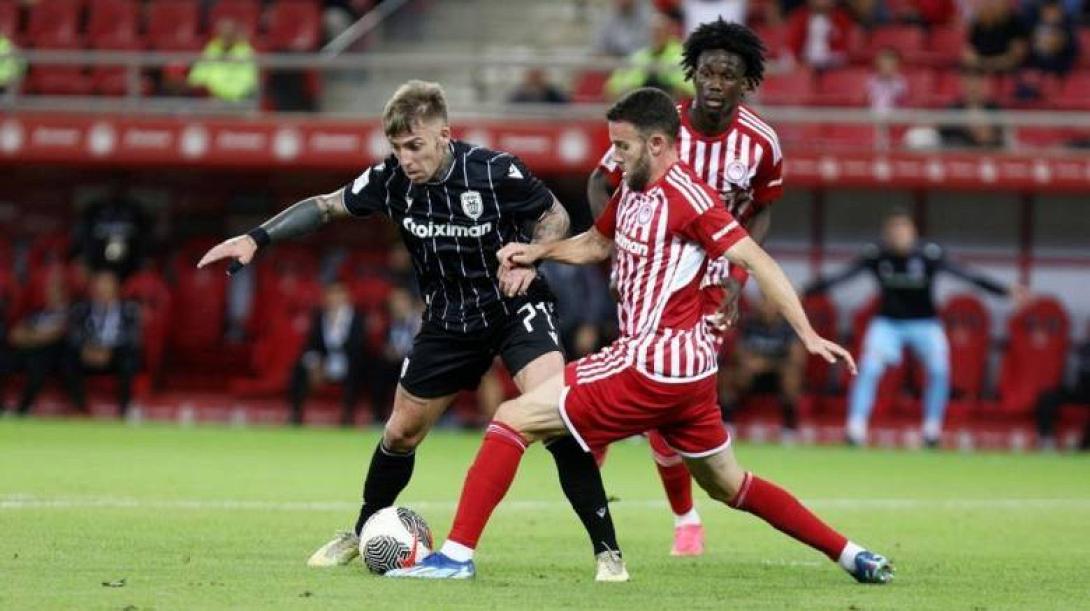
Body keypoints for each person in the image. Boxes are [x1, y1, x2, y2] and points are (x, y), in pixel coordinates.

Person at [387, 87, 892, 584]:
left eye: (622, 146)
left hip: (651, 361)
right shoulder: (632, 188)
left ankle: (456, 556)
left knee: (511, 418)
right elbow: (595, 243)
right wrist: (538, 252)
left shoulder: (690, 198)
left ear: (656, 144)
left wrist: (806, 333)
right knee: (729, 485)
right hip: (690, 375)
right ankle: (853, 555)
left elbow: (757, 260)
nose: (614, 157)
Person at [196, 80, 628, 581]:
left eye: (415, 145)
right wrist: (256, 238)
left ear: (444, 135)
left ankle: (608, 553)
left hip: (514, 307)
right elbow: (327, 205)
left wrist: (531, 259)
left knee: (552, 416)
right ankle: (363, 531)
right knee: (400, 432)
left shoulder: (493, 170)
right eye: (397, 147)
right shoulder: (389, 180)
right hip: (447, 321)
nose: (405, 158)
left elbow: (553, 214)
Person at [589, 19, 784, 557]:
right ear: (691, 74)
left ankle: (683, 516)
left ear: (746, 82)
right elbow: (600, 180)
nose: (716, 82)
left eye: (728, 74)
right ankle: (681, 510)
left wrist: (739, 280)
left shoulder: (761, 143)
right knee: (656, 397)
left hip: (711, 287)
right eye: (707, 72)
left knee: (668, 397)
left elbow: (762, 209)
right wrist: (618, 251)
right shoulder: (659, 130)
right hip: (649, 278)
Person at [806, 209, 1026, 447]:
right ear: (887, 235)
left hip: (925, 323)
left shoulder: (929, 254)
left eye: (904, 230)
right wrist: (806, 291)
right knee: (867, 369)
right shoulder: (877, 255)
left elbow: (967, 274)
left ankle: (932, 430)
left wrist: (1004, 291)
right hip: (888, 323)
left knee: (939, 370)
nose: (899, 236)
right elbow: (842, 276)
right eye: (894, 231)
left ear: (913, 233)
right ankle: (855, 429)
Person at [721, 294, 806, 441]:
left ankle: (789, 428)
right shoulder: (749, 325)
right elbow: (738, 354)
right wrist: (748, 362)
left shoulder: (789, 328)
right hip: (752, 375)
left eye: (770, 303)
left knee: (791, 376)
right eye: (763, 302)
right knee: (729, 376)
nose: (766, 307)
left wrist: (765, 364)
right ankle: (728, 424)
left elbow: (797, 360)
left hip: (777, 375)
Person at [65, 270, 142, 418]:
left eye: (107, 284)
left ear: (116, 288)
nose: (102, 289)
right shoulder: (81, 309)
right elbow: (74, 334)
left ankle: (125, 409)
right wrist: (87, 349)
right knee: (68, 359)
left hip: (116, 355)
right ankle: (80, 408)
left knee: (129, 359)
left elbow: (133, 338)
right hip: (89, 354)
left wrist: (109, 350)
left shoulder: (130, 310)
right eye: (99, 285)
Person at [288, 280, 365, 426]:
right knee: (298, 368)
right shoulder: (319, 316)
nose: (334, 298)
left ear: (346, 296)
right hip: (324, 363)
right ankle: (296, 414)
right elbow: (311, 345)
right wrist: (315, 363)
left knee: (358, 369)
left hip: (348, 363)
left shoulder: (357, 317)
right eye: (331, 294)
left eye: (338, 294)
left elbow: (360, 346)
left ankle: (348, 415)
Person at [4, 272, 71, 416]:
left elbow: (54, 335)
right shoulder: (38, 313)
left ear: (65, 292)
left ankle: (23, 410)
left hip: (51, 355)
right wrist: (34, 337)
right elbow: (14, 335)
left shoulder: (69, 313)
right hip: (27, 351)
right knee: (4, 361)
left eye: (56, 290)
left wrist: (29, 336)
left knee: (37, 364)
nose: (51, 294)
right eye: (49, 290)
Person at [606, 12, 693, 99]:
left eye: (660, 31)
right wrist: (631, 89)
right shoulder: (639, 57)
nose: (656, 35)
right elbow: (612, 88)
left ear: (668, 32)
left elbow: (690, 89)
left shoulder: (682, 55)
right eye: (653, 31)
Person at [1034, 323, 1090, 451]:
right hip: (1081, 390)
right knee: (1047, 397)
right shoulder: (1083, 348)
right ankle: (1047, 440)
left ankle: (1085, 447)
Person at [187, 17, 259, 102]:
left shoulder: (246, 51)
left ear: (235, 35)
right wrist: (207, 90)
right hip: (211, 99)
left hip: (239, 100)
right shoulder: (211, 49)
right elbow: (197, 76)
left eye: (229, 34)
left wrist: (225, 96)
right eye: (223, 33)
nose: (226, 37)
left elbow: (248, 80)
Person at [940, 67, 1004, 149]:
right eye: (969, 82)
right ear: (962, 84)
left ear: (983, 84)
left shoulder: (994, 108)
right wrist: (968, 130)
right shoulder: (953, 109)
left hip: (990, 152)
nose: (973, 87)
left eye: (977, 82)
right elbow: (945, 136)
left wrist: (989, 135)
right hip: (962, 153)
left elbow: (1001, 135)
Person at [784, 0, 857, 70]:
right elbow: (791, 47)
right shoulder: (799, 17)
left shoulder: (841, 18)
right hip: (805, 66)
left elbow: (846, 49)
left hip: (833, 67)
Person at [963, 0, 1029, 74]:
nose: (990, 5)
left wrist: (987, 64)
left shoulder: (1016, 24)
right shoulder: (978, 25)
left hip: (1010, 74)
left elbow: (1015, 58)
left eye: (995, 2)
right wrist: (983, 64)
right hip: (981, 73)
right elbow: (968, 55)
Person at [866, 48, 907, 115]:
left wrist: (890, 81)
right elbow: (869, 97)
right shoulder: (872, 80)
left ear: (896, 67)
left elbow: (901, 97)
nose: (887, 68)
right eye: (884, 65)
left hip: (895, 113)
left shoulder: (900, 81)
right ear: (878, 66)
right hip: (873, 113)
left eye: (890, 65)